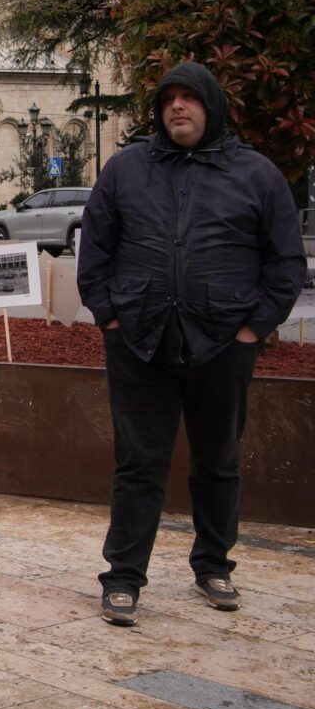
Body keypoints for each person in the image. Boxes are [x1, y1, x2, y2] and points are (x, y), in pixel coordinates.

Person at [79, 61, 303, 628]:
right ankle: (124, 577)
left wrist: (253, 329)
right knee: (138, 464)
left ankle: (213, 566)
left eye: (190, 98)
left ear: (212, 106)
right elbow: (96, 250)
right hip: (139, 343)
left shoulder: (256, 174)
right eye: (169, 98)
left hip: (223, 344)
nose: (178, 106)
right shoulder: (127, 169)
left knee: (218, 460)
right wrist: (110, 317)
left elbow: (285, 263)